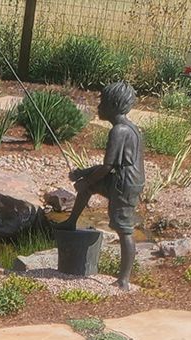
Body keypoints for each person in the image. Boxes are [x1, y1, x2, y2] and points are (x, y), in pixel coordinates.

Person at [55, 80, 145, 291]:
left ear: (113, 106)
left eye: (102, 102)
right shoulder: (131, 128)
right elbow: (111, 165)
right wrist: (83, 174)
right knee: (87, 188)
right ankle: (71, 222)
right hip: (124, 179)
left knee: (124, 229)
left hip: (125, 185)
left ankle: (123, 280)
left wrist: (85, 180)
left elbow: (107, 167)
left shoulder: (118, 131)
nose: (98, 106)